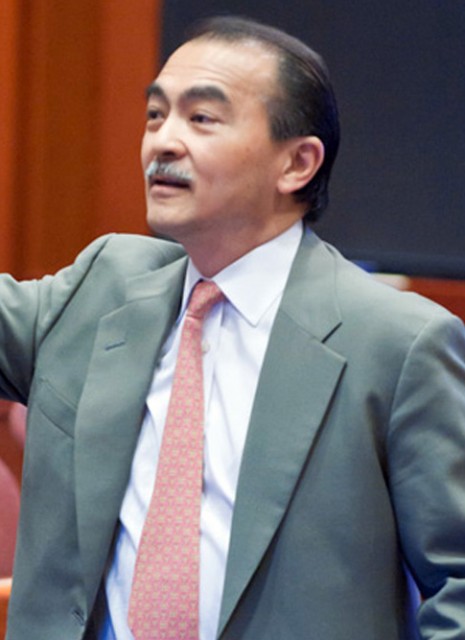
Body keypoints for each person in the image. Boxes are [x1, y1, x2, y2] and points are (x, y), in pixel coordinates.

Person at [2, 14, 465, 640]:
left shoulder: (396, 342)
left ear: (296, 163)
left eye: (201, 118)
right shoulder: (102, 286)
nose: (163, 142)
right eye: (155, 115)